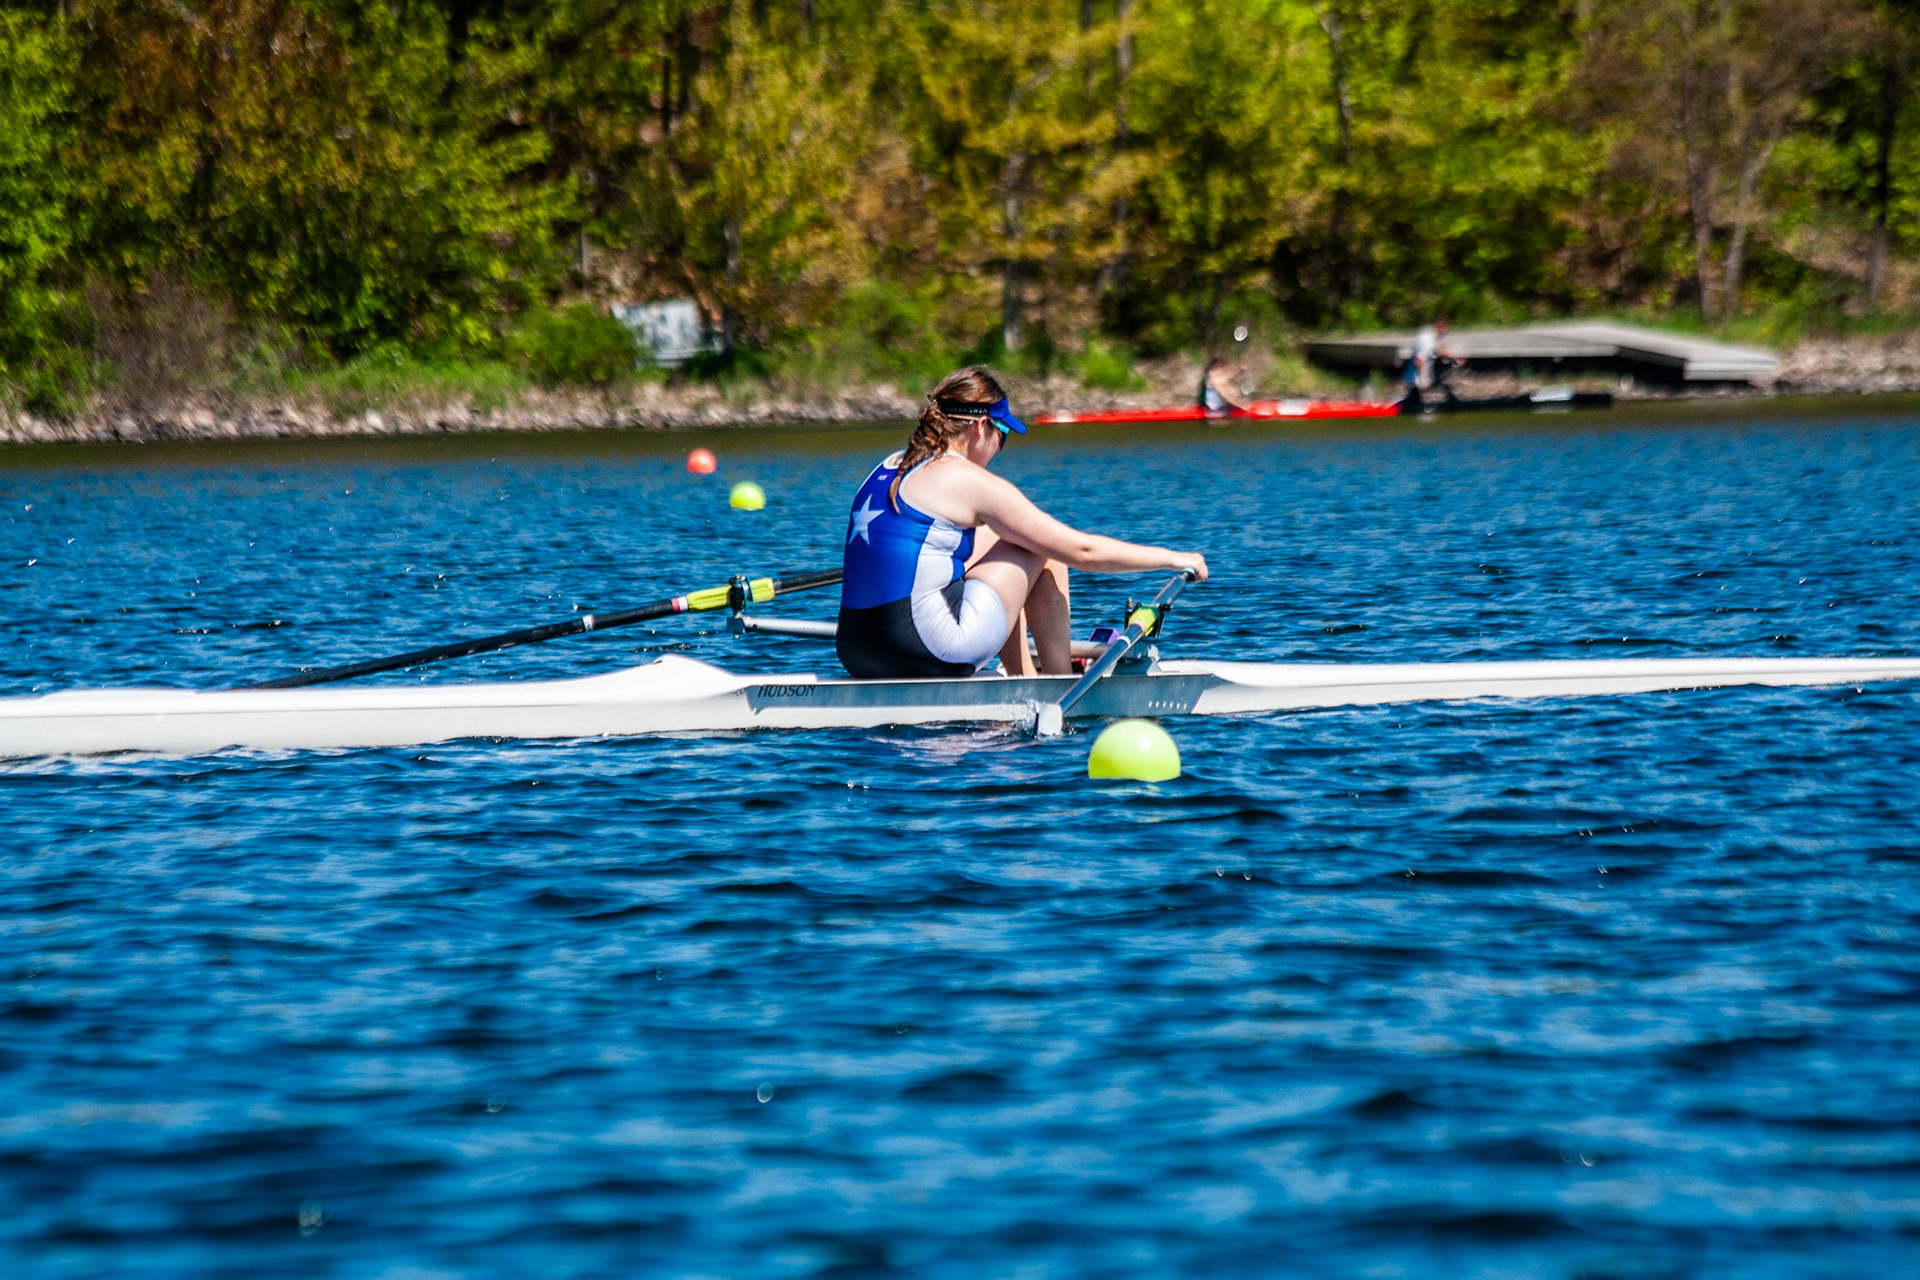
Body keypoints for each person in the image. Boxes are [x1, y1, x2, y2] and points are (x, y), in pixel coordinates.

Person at [838, 367, 1209, 680]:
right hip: (927, 653)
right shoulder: (968, 481)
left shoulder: (888, 466)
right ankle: (1054, 680)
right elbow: (1082, 550)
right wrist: (1174, 558)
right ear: (981, 426)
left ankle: (1024, 675)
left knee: (1000, 539)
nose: (1001, 445)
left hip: (855, 652)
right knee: (1044, 550)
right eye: (1003, 433)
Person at [1403, 318, 1455, 396]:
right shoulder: (1426, 338)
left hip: (1421, 376)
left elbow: (1437, 350)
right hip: (1416, 379)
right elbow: (1419, 359)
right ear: (1440, 327)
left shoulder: (1431, 336)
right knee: (1416, 396)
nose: (1445, 332)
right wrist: (1422, 379)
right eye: (1445, 329)